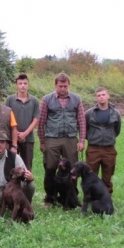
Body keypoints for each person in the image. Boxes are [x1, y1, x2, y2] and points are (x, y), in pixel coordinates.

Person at [38, 73, 86, 208]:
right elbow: (41, 122)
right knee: (50, 167)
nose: (63, 89)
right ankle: (50, 198)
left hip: (70, 138)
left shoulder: (76, 99)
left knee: (72, 169)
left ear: (68, 85)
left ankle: (71, 197)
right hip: (52, 138)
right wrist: (42, 141)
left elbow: (81, 120)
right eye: (60, 86)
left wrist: (81, 140)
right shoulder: (46, 99)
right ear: (55, 85)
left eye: (65, 86)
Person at [0, 130, 35, 218]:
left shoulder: (15, 157)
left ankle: (24, 208)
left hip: (14, 188)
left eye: (2, 142)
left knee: (30, 186)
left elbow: (25, 173)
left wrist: (30, 178)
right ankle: (2, 204)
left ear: (6, 144)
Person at [84, 86, 122, 195]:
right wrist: (93, 137)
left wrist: (109, 138)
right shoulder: (89, 113)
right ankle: (91, 197)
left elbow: (117, 130)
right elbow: (84, 129)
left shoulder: (116, 113)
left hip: (109, 149)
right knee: (91, 174)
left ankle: (106, 196)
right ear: (96, 98)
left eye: (103, 95)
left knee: (107, 175)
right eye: (99, 95)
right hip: (93, 149)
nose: (101, 97)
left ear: (108, 96)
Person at [5, 73, 40, 171]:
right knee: (11, 166)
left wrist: (25, 133)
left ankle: (26, 182)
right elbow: (7, 117)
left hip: (28, 139)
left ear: (28, 84)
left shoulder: (34, 100)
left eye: (25, 83)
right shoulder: (10, 99)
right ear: (16, 85)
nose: (23, 86)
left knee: (27, 167)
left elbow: (36, 118)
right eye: (20, 83)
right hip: (12, 139)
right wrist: (15, 133)